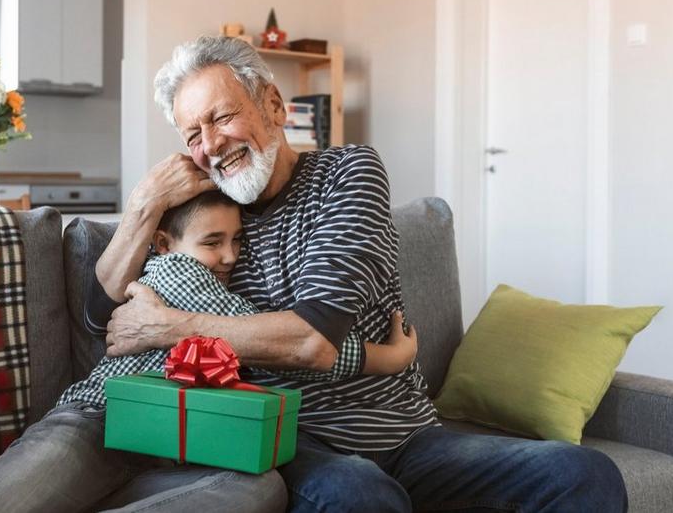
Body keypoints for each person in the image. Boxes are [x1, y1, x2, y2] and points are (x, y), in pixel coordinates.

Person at [95, 35, 629, 512]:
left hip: (407, 435)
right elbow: (111, 297)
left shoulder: (348, 174)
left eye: (222, 117)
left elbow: (312, 340)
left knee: (582, 472)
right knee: (357, 492)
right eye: (193, 134)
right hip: (289, 437)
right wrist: (144, 202)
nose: (210, 145)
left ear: (274, 106)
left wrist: (172, 327)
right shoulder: (203, 217)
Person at [59, 189, 417, 411]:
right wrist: (390, 358)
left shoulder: (202, 278)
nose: (230, 257)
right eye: (212, 243)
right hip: (96, 410)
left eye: (237, 240)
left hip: (147, 430)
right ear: (165, 244)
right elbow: (283, 346)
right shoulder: (179, 273)